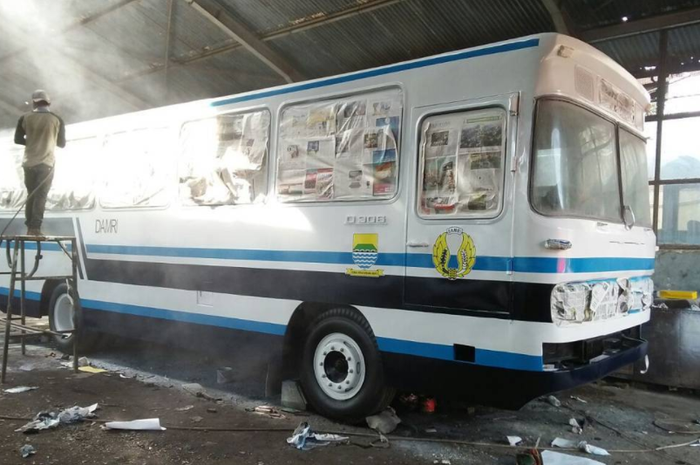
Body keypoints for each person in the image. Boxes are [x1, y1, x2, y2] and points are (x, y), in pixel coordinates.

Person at [14, 89, 66, 236]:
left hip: (28, 163)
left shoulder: (24, 118)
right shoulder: (56, 119)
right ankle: (35, 229)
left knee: (31, 194)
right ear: (48, 102)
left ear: (33, 102)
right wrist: (47, 140)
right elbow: (61, 143)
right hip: (46, 164)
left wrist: (32, 142)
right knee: (41, 195)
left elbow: (17, 139)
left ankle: (29, 226)